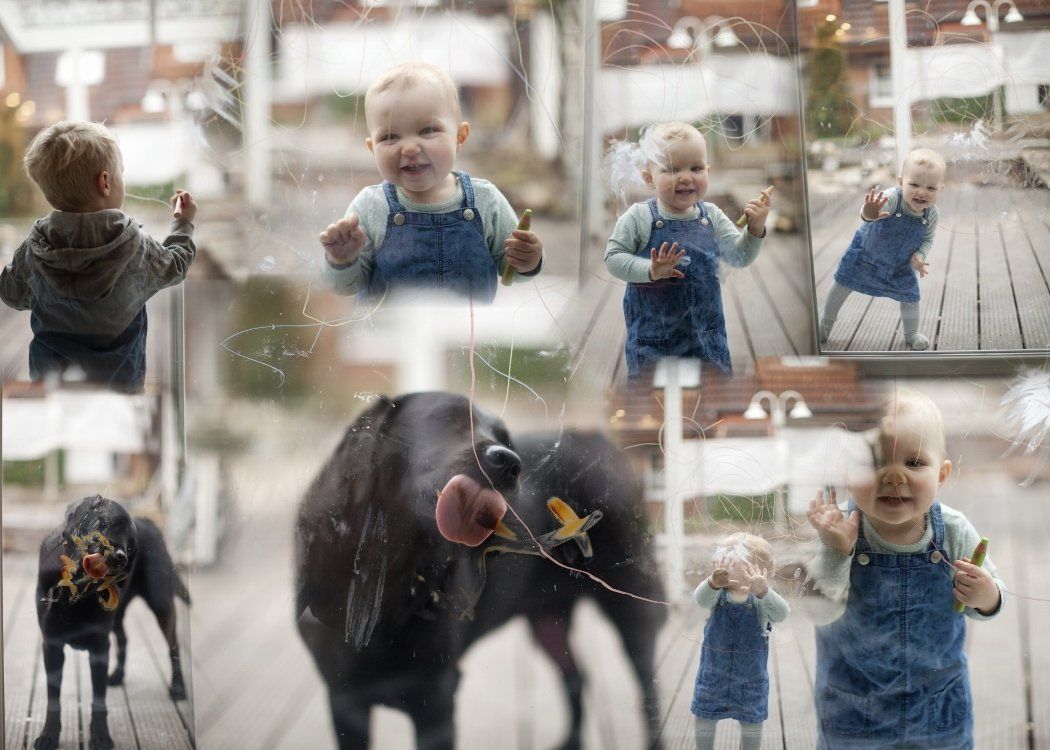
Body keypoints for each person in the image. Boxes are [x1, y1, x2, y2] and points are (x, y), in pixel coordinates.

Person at [806, 388, 1005, 749]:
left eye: (913, 463)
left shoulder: (955, 531)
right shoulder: (838, 530)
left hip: (937, 712)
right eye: (876, 462)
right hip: (854, 713)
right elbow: (820, 610)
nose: (894, 476)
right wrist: (837, 551)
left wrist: (986, 595)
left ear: (942, 474)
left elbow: (989, 602)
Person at [320, 61, 543, 303]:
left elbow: (512, 273)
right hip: (390, 339)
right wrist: (342, 261)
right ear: (372, 148)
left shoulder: (485, 200)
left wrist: (529, 260)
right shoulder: (369, 206)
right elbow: (347, 286)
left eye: (427, 130)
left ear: (459, 136)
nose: (410, 147)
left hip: (466, 338)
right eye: (390, 136)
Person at [0, 121, 196, 392]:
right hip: (119, 391)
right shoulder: (136, 246)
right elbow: (176, 266)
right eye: (121, 174)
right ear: (105, 182)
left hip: (52, 390)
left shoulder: (34, 249)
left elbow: (10, 293)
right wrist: (183, 224)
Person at [603, 122, 770, 377]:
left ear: (707, 171)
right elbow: (613, 258)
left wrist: (755, 229)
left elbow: (740, 256)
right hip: (654, 342)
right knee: (655, 406)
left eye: (696, 168)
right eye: (671, 169)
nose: (685, 177)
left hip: (707, 341)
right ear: (650, 177)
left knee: (711, 407)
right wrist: (649, 269)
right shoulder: (639, 218)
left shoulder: (711, 217)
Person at [820, 148, 946, 351]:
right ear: (901, 182)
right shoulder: (892, 198)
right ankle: (824, 326)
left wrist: (920, 256)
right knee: (841, 285)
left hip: (899, 266)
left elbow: (928, 239)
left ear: (941, 188)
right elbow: (870, 212)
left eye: (931, 188)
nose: (922, 192)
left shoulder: (931, 214)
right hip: (864, 257)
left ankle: (911, 333)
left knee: (911, 297)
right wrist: (869, 212)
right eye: (914, 184)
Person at [691, 532, 789, 750]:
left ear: (754, 570)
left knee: (751, 724)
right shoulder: (717, 594)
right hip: (713, 676)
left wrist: (764, 591)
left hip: (750, 681)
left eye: (730, 556)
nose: (722, 560)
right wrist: (711, 583)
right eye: (721, 555)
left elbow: (783, 614)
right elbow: (700, 599)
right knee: (705, 719)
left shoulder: (761, 600)